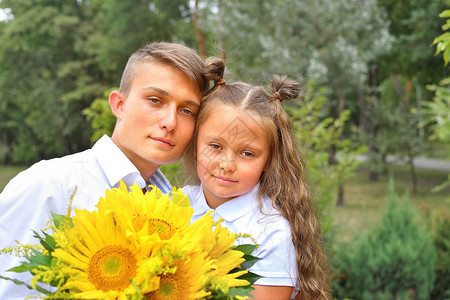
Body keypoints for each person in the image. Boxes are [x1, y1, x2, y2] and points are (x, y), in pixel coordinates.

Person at [0, 42, 209, 298]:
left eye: (187, 111)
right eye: (155, 100)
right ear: (119, 105)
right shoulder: (51, 185)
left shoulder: (176, 207)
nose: (170, 122)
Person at [182, 58, 331, 300]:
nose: (227, 165)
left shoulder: (270, 230)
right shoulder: (175, 205)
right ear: (195, 142)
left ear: (268, 160)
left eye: (247, 153)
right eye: (215, 146)